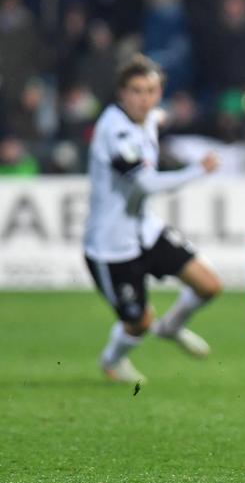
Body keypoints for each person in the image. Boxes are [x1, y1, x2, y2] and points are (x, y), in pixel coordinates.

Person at [83, 54, 222, 385]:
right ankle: (111, 361)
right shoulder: (115, 131)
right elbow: (145, 183)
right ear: (121, 93)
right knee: (139, 322)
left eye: (150, 91)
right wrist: (197, 170)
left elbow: (159, 115)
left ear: (159, 92)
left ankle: (170, 327)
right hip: (111, 245)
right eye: (136, 91)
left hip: (146, 230)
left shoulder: (148, 117)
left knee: (209, 286)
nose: (143, 99)